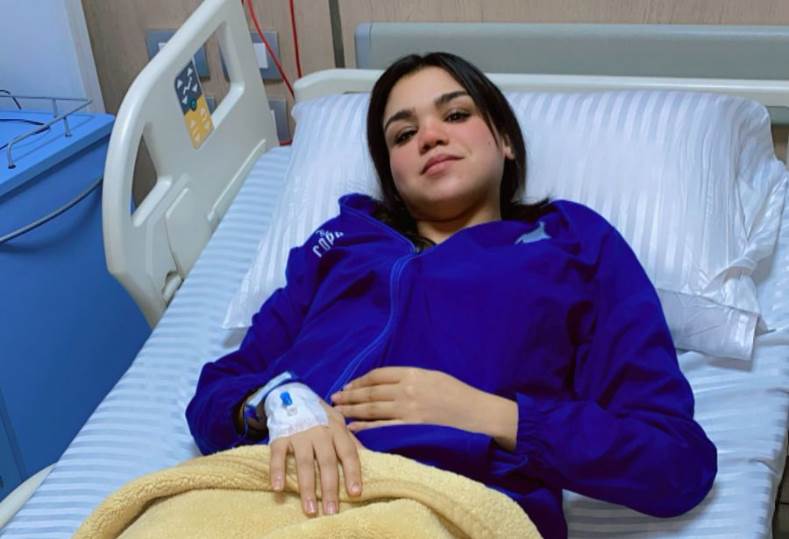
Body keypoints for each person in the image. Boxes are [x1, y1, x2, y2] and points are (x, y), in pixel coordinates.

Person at [186, 52, 717, 538]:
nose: (430, 137)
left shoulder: (571, 244)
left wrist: (489, 415)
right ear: (392, 176)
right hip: (271, 489)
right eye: (403, 134)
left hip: (449, 503)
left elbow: (676, 461)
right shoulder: (339, 246)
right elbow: (218, 392)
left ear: (506, 141)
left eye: (456, 114)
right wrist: (278, 403)